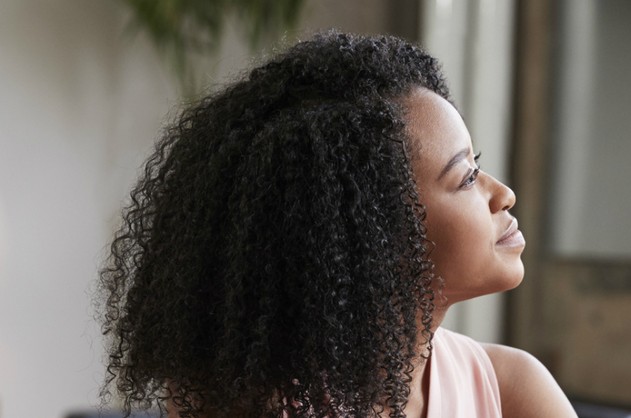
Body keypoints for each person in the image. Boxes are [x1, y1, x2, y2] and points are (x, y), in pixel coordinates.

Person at [99, 31, 577, 418]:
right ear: (376, 229)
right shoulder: (242, 404)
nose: (503, 194)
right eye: (467, 176)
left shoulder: (513, 389)